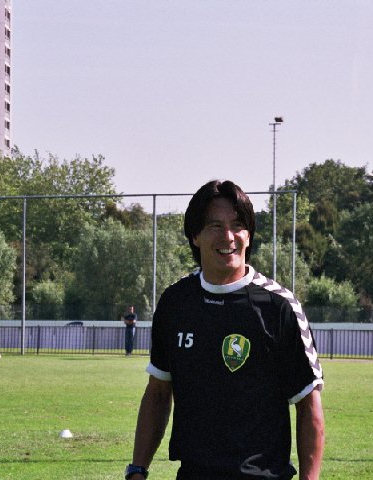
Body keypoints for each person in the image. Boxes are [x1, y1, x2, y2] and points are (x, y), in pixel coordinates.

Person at [125, 180, 325, 480]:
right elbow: (158, 393)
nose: (228, 237)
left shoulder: (279, 307)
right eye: (215, 226)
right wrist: (138, 468)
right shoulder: (176, 303)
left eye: (238, 225)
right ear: (195, 235)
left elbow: (308, 404)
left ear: (249, 234)